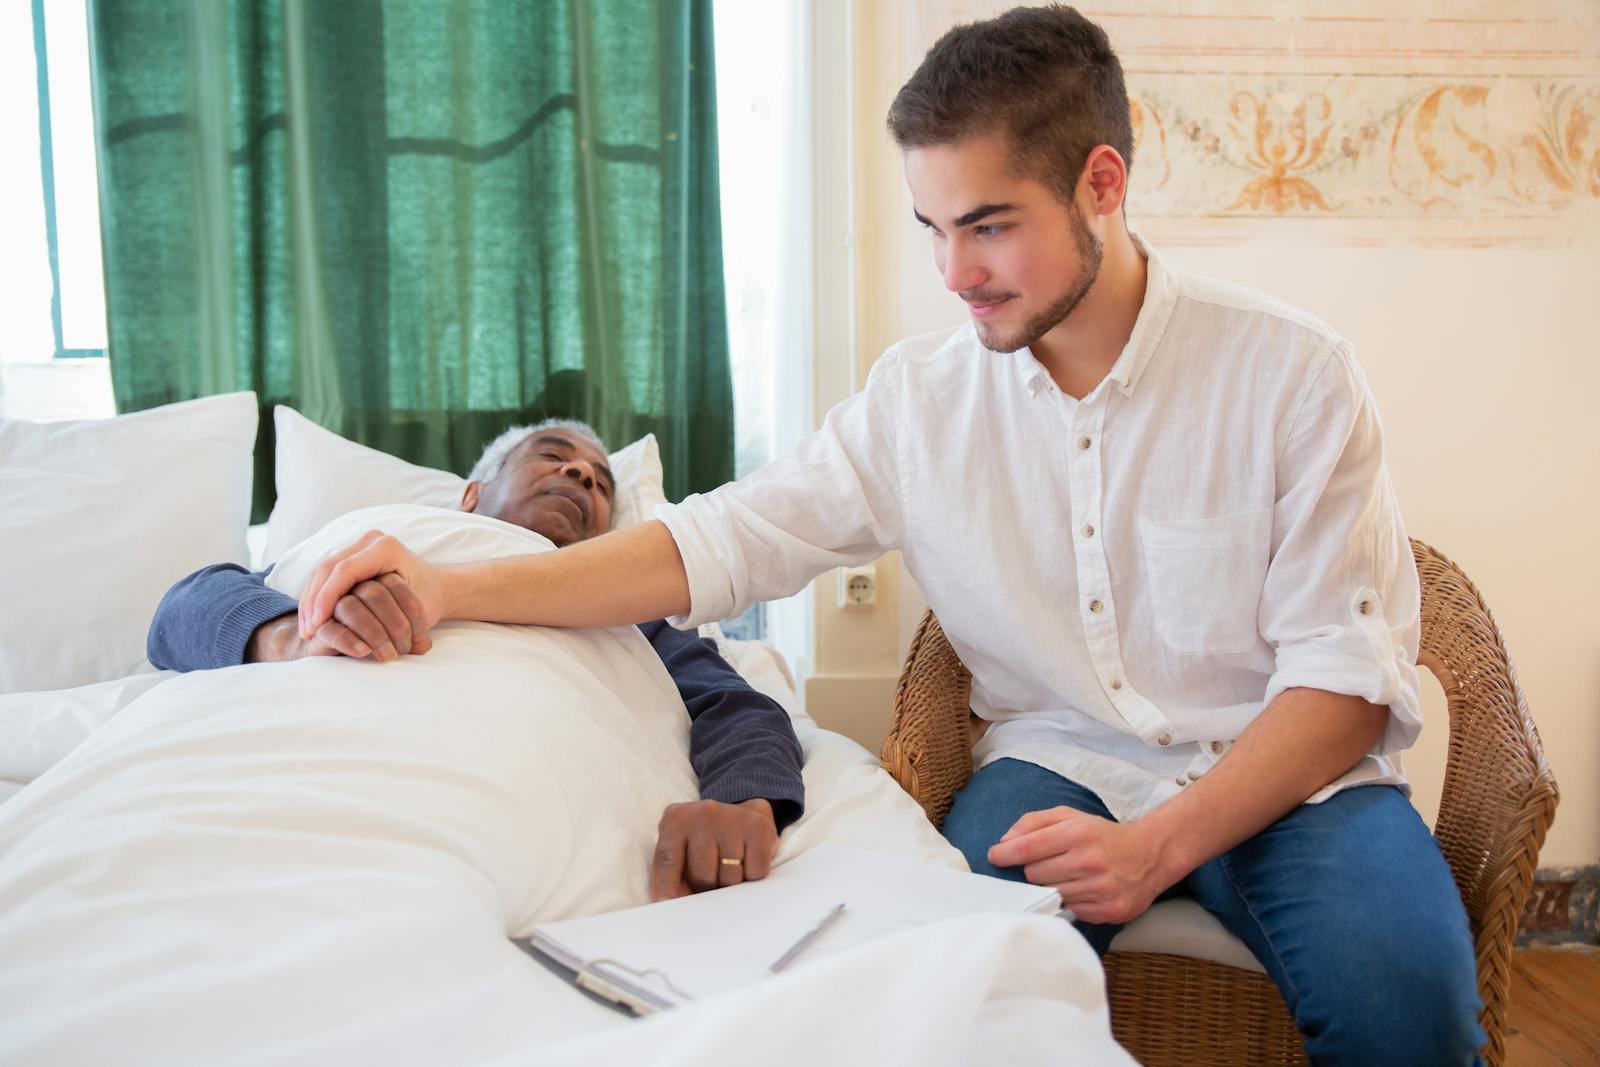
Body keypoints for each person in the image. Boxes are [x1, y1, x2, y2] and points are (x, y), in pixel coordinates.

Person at [292, 7, 1482, 1061]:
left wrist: (1161, 843)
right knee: (933, 1008)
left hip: (1294, 780)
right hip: (1053, 766)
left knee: (1412, 1010)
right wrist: (454, 585)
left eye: (988, 225)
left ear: (1103, 183)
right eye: (929, 227)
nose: (953, 272)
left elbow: (1342, 684)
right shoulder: (919, 402)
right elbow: (719, 541)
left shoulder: (1293, 374)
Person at [146, 418, 805, 904]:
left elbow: (736, 705)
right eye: (554, 457)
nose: (580, 476)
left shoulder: (633, 611)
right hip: (301, 760)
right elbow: (182, 609)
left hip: (504, 802)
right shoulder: (381, 537)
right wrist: (293, 633)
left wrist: (744, 802)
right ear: (470, 495)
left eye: (601, 482)